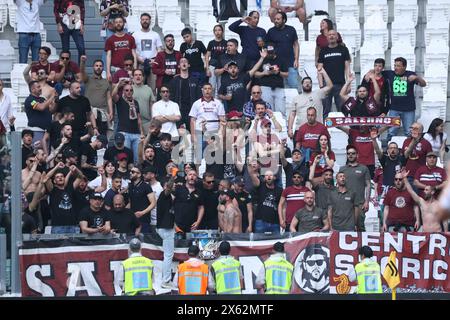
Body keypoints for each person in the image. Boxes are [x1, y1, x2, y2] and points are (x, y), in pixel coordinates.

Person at [383, 57, 427, 142]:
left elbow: (423, 84)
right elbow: (377, 71)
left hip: (408, 109)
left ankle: (409, 152)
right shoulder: (390, 74)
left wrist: (417, 78)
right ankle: (388, 151)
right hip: (394, 108)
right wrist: (370, 72)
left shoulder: (410, 74)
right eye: (395, 65)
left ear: (404, 67)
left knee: (409, 132)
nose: (395, 67)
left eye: (398, 66)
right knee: (391, 131)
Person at [189, 83, 226, 166]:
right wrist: (193, 135)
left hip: (214, 134)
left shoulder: (218, 103)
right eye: (205, 88)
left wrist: (221, 135)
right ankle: (199, 176)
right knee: (199, 158)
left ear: (212, 90)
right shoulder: (196, 103)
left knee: (214, 157)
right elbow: (192, 120)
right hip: (200, 132)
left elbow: (222, 120)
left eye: (209, 88)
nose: (207, 90)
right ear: (202, 90)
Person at [317, 30, 351, 118]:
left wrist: (348, 84)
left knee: (342, 110)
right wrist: (321, 85)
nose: (331, 36)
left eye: (333, 34)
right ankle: (325, 130)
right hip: (326, 85)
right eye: (329, 35)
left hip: (340, 84)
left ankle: (343, 130)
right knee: (325, 111)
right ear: (327, 37)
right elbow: (319, 68)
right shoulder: (323, 51)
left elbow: (347, 67)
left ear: (337, 37)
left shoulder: (343, 49)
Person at [289, 68, 332, 134]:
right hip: (300, 130)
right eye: (305, 82)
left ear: (312, 85)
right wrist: (290, 129)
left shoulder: (318, 93)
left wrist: (323, 72)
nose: (307, 84)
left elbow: (330, 86)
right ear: (302, 85)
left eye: (309, 82)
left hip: (317, 129)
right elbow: (292, 114)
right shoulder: (296, 98)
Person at [338, 146, 371, 231]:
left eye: (353, 153)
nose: (351, 155)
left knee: (360, 227)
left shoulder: (363, 168)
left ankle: (362, 244)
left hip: (360, 203)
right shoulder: (342, 169)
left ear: (357, 155)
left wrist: (367, 201)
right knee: (345, 227)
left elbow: (368, 185)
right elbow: (339, 185)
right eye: (348, 154)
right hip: (346, 203)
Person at [112, 82, 145, 164]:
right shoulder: (120, 100)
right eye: (126, 90)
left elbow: (138, 118)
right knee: (125, 158)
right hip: (124, 133)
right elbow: (113, 95)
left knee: (138, 159)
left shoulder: (135, 102)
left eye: (131, 90)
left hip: (136, 133)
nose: (129, 92)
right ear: (123, 91)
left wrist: (141, 132)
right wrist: (118, 84)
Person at [80, 55, 113, 138]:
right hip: (89, 112)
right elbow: (82, 72)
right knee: (89, 136)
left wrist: (111, 111)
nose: (98, 67)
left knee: (102, 136)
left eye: (100, 66)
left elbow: (109, 98)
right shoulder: (88, 79)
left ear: (103, 68)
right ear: (93, 67)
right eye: (96, 66)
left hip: (102, 112)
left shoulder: (106, 82)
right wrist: (83, 62)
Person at [266, 11, 299, 89]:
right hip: (277, 65)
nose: (276, 21)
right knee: (280, 90)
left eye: (278, 19)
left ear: (284, 20)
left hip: (290, 63)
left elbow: (296, 44)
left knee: (294, 87)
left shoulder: (291, 29)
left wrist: (296, 59)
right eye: (275, 19)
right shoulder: (271, 31)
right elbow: (267, 47)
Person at [254, 44, 288, 113]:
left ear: (274, 51)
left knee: (281, 111)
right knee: (267, 111)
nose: (269, 54)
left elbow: (286, 74)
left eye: (271, 52)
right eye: (268, 53)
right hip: (265, 87)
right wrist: (264, 73)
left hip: (279, 87)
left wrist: (278, 72)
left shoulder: (281, 59)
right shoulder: (262, 59)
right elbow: (255, 74)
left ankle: (281, 123)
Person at [169, 58, 202, 130]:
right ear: (179, 66)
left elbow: (199, 97)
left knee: (193, 136)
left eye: (185, 62)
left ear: (189, 65)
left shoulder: (195, 80)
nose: (184, 63)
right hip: (178, 113)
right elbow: (171, 98)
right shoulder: (174, 81)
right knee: (177, 137)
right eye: (181, 62)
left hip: (192, 113)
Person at [248, 167, 282, 234]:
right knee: (258, 243)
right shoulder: (260, 186)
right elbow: (252, 177)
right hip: (261, 222)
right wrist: (252, 168)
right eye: (266, 175)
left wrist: (282, 220)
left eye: (271, 175)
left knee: (276, 243)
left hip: (275, 222)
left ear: (274, 177)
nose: (269, 177)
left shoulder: (280, 190)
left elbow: (282, 206)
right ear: (264, 178)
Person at [132, 13, 162, 89]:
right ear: (140, 21)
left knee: (153, 88)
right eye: (143, 19)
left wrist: (155, 60)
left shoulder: (155, 34)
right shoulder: (135, 35)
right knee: (138, 87)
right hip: (140, 64)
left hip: (153, 64)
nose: (145, 21)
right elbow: (133, 50)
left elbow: (159, 50)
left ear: (150, 21)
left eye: (147, 19)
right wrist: (139, 59)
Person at [156, 176, 176, 288]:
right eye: (171, 184)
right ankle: (166, 281)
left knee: (168, 255)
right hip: (165, 229)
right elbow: (168, 188)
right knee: (168, 255)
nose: (174, 185)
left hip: (167, 228)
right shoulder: (163, 195)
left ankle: (166, 280)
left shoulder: (171, 198)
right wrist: (172, 178)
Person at [105, 16, 137, 82]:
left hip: (129, 70)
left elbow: (134, 54)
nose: (118, 24)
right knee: (115, 90)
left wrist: (135, 69)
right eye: (116, 22)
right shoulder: (110, 40)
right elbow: (108, 56)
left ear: (124, 24)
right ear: (114, 24)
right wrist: (108, 72)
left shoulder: (130, 38)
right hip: (115, 70)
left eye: (120, 22)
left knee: (129, 90)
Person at [24, 81, 57, 145]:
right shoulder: (30, 100)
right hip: (37, 131)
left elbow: (52, 110)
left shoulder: (42, 99)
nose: (40, 88)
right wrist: (52, 96)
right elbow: (41, 107)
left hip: (47, 132)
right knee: (38, 152)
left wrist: (56, 100)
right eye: (38, 87)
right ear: (33, 89)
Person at [99, 0, 129, 66]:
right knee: (107, 49)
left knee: (123, 47)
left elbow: (126, 14)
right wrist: (110, 8)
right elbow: (101, 14)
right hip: (109, 28)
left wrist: (122, 9)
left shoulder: (123, 1)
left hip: (122, 27)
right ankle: (105, 70)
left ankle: (123, 67)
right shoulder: (105, 1)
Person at [128, 165, 156, 234]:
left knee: (144, 243)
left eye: (133, 172)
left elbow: (153, 203)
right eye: (130, 171)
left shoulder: (146, 186)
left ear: (139, 174)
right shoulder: (130, 186)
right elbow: (130, 202)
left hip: (144, 221)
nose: (130, 173)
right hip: (133, 220)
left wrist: (142, 213)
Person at [132, 68, 156, 136]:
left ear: (143, 77)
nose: (138, 77)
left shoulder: (148, 89)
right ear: (133, 77)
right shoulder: (129, 89)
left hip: (147, 123)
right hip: (133, 123)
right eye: (136, 75)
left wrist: (152, 120)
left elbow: (152, 105)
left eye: (140, 75)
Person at [205, 25, 227, 96]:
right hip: (212, 66)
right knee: (212, 87)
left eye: (219, 30)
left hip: (222, 67)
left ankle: (220, 104)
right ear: (214, 32)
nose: (217, 32)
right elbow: (207, 56)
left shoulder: (226, 43)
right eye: (216, 30)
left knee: (221, 87)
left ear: (222, 31)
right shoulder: (211, 43)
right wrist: (207, 69)